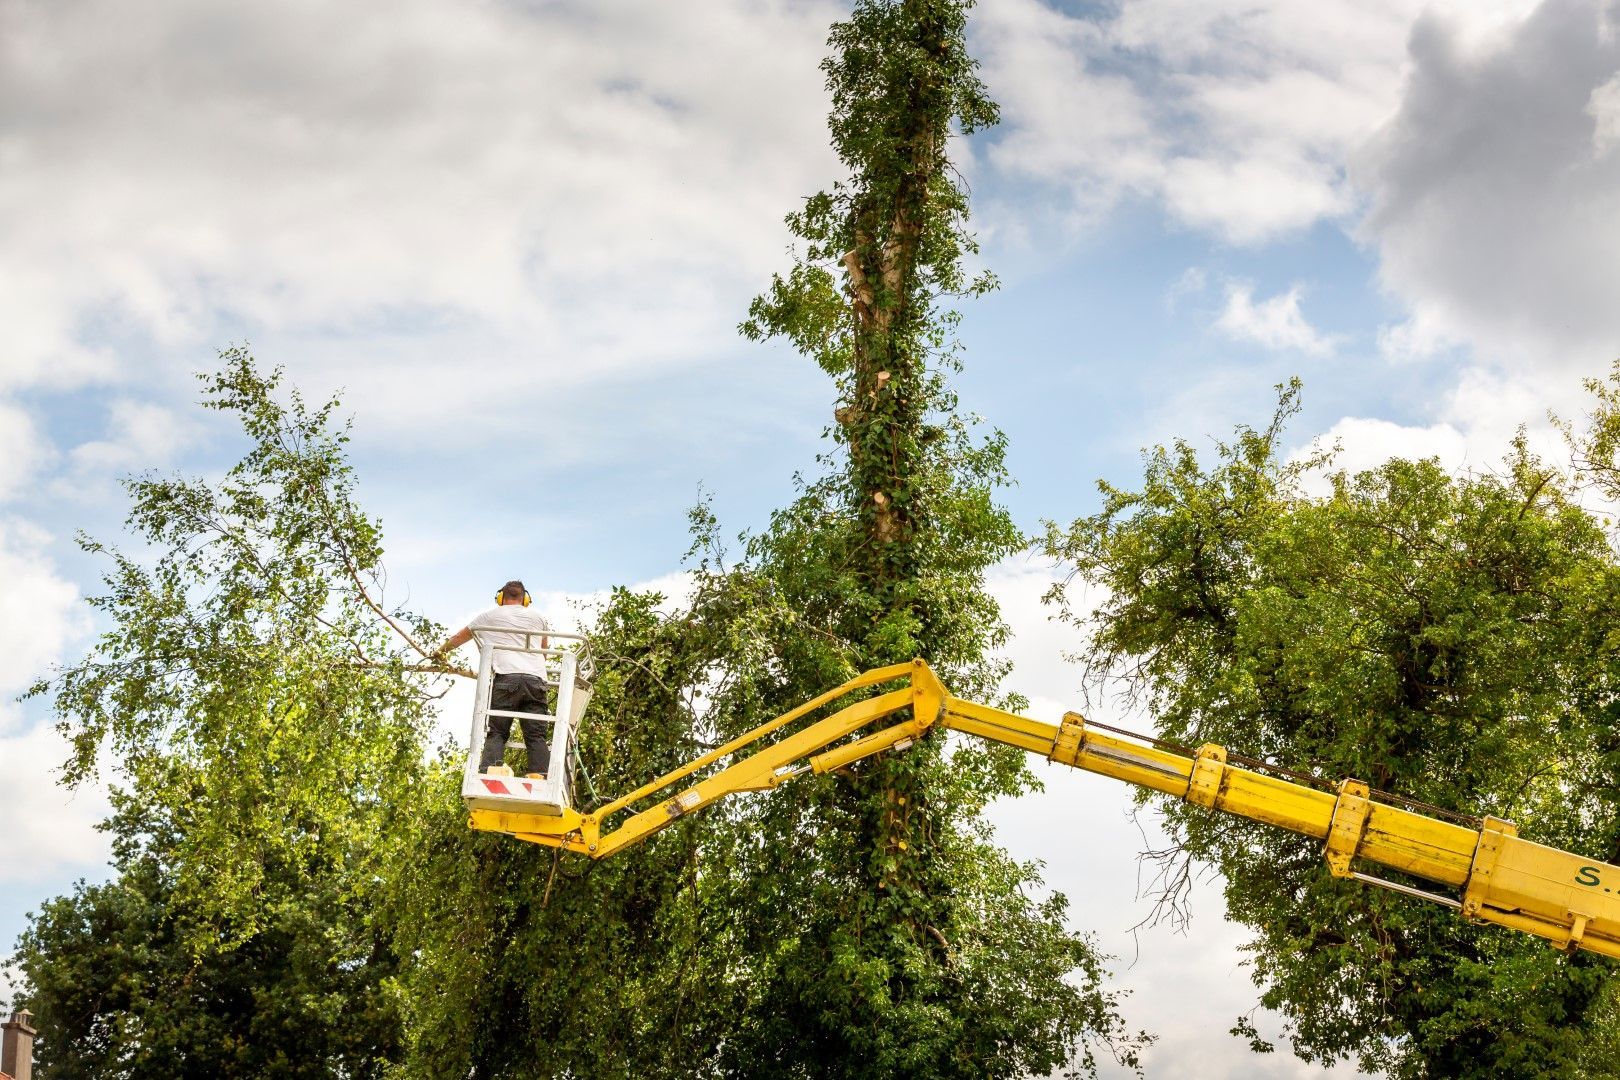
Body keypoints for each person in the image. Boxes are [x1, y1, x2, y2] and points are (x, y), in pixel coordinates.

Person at [438, 580, 554, 778]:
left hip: (506, 680)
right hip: (536, 681)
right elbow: (544, 652)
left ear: (501, 598)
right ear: (525, 599)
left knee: (498, 731)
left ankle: (490, 773)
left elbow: (458, 638)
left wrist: (439, 653)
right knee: (536, 735)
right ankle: (540, 776)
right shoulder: (539, 618)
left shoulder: (488, 616)